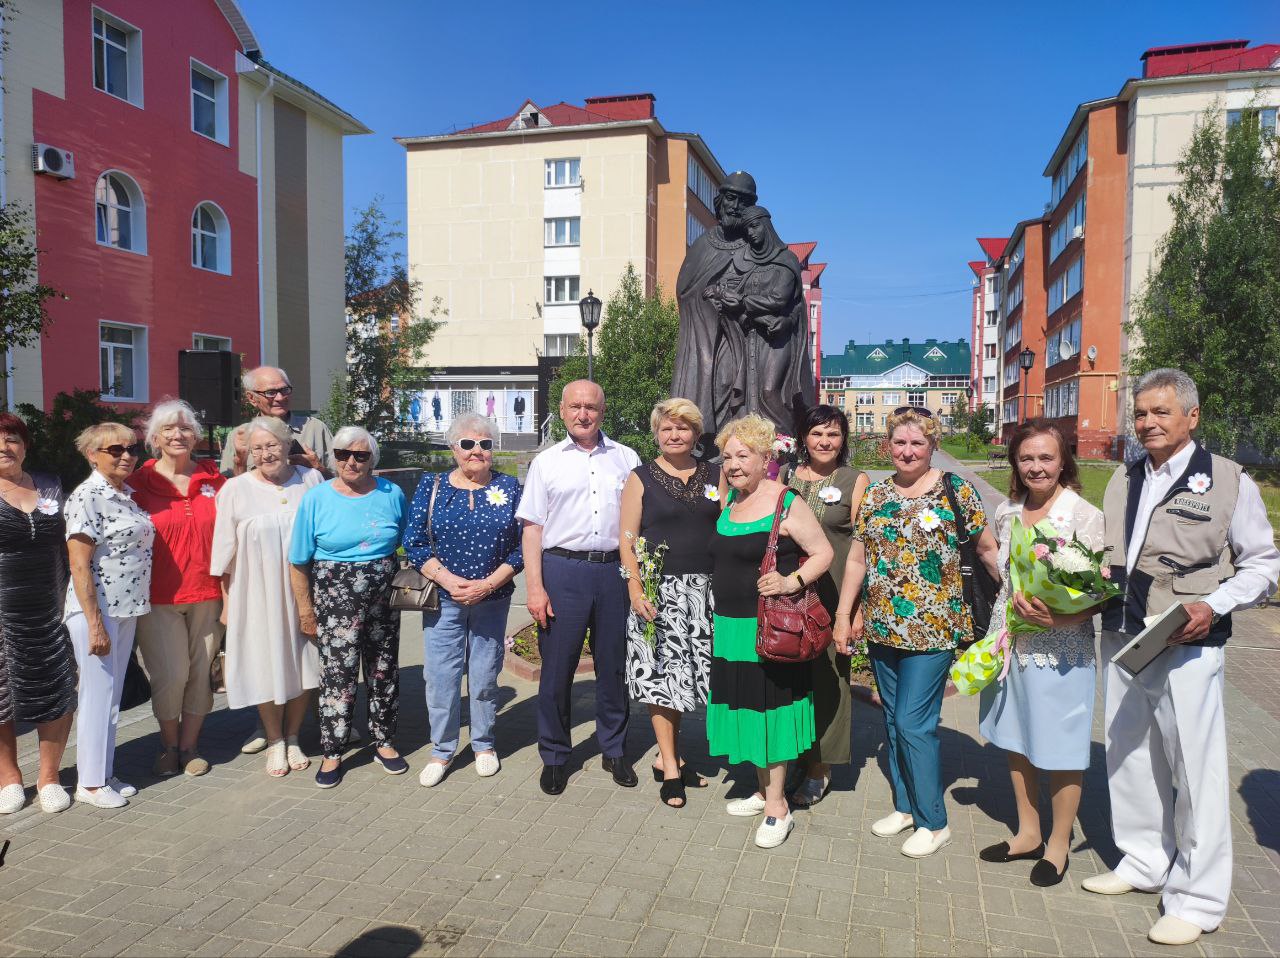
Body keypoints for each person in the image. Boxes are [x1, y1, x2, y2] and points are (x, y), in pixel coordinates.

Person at [1086, 369, 1280, 946]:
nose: (1147, 422)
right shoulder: (1125, 475)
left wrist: (1212, 606)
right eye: (1141, 413)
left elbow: (1263, 564)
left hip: (1187, 641)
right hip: (1123, 634)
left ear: (1192, 416)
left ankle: (1197, 898)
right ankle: (1144, 860)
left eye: (1160, 412)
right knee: (1127, 753)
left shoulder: (1228, 480)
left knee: (1194, 768)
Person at [834, 408, 999, 858]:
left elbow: (987, 550)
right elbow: (857, 559)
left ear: (933, 447)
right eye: (900, 443)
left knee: (913, 723)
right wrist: (845, 614)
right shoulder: (878, 493)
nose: (907, 452)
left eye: (917, 444)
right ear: (887, 445)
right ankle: (906, 807)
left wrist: (1014, 598)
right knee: (892, 718)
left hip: (934, 627)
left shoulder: (955, 489)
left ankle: (934, 821)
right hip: (883, 626)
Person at [977, 419, 1105, 887]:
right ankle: (1028, 832)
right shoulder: (1008, 511)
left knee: (1062, 746)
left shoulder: (1082, 514)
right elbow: (1005, 576)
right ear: (1015, 462)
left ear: (1063, 460)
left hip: (1062, 649)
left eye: (1046, 457)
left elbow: (1099, 592)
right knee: (1015, 736)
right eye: (1026, 458)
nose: (1036, 467)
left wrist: (1061, 619)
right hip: (1011, 642)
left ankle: (1058, 844)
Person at [706, 414, 833, 848]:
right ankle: (763, 791)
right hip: (730, 628)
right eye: (727, 457)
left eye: (743, 456)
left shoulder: (785, 502)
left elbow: (823, 553)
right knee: (747, 709)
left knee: (770, 712)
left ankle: (778, 808)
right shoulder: (731, 502)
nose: (733, 464)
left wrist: (790, 581)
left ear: (766, 459)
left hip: (769, 629)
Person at [518, 380, 641, 796]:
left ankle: (614, 748)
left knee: (614, 666)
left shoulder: (626, 458)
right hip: (562, 571)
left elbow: (638, 523)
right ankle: (555, 755)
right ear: (562, 410)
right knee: (557, 669)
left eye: (591, 407)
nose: (583, 414)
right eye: (575, 407)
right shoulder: (546, 462)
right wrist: (535, 588)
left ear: (603, 411)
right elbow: (532, 529)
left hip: (613, 572)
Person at [405, 413, 523, 788]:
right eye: (468, 443)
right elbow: (414, 543)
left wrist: (487, 584)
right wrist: (449, 580)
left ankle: (484, 744)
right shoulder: (433, 485)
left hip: (492, 599)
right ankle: (442, 750)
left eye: (484, 444)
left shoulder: (510, 487)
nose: (476, 451)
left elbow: (523, 547)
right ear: (453, 448)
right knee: (441, 677)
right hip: (444, 599)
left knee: (485, 675)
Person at [289, 426, 407, 789]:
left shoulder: (391, 493)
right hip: (334, 595)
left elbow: (406, 539)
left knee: (383, 668)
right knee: (338, 674)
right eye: (342, 454)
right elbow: (298, 560)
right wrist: (305, 610)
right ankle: (333, 751)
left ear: (372, 459)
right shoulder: (316, 498)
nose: (351, 462)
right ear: (333, 457)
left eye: (360, 455)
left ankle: (384, 741)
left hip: (383, 596)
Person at [619, 399, 719, 809]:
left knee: (691, 678)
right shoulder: (640, 478)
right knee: (662, 678)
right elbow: (627, 540)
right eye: (666, 429)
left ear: (696, 433)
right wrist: (635, 590)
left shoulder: (717, 474)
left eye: (683, 428)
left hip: (708, 592)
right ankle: (672, 769)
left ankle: (670, 757)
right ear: (656, 434)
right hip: (659, 594)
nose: (674, 435)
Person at [210, 416, 324, 778]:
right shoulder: (235, 489)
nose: (265, 454)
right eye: (256, 449)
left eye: (272, 445)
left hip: (304, 592)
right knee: (264, 663)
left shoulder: (310, 480)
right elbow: (223, 552)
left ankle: (293, 736)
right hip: (255, 592)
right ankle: (274, 740)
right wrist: (227, 603)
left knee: (304, 662)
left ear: (287, 445)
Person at [127, 400, 225, 778]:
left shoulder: (216, 481)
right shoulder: (137, 484)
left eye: (185, 428)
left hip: (208, 593)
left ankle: (189, 746)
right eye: (168, 428)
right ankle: (168, 745)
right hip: (158, 597)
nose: (177, 434)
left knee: (200, 674)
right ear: (154, 438)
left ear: (196, 436)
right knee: (171, 675)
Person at [778, 404, 869, 808]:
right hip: (789, 595)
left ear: (843, 439)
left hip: (833, 598)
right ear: (803, 437)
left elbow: (864, 549)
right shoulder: (785, 476)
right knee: (792, 681)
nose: (825, 441)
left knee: (830, 680)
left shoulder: (855, 480)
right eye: (817, 433)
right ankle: (796, 757)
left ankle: (820, 769)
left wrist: (855, 609)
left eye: (833, 434)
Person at [64, 423, 155, 808]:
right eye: (115, 450)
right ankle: (89, 784)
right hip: (97, 611)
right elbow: (79, 564)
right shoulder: (88, 496)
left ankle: (103, 773)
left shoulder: (124, 495)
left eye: (132, 449)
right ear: (92, 455)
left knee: (112, 697)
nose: (126, 456)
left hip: (125, 608)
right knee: (96, 696)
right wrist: (95, 624)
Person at [0, 413, 77, 814]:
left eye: (12, 438)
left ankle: (49, 777)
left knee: (57, 689)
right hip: (1, 614)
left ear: (25, 445)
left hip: (51, 608)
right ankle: (8, 777)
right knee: (1, 696)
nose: (4, 447)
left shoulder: (50, 484)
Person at [705, 206, 814, 429]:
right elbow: (732, 291)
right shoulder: (747, 264)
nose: (751, 233)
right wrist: (720, 293)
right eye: (747, 229)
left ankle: (786, 440)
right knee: (749, 395)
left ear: (766, 226)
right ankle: (753, 441)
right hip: (750, 337)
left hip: (777, 339)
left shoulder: (786, 260)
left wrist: (741, 301)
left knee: (769, 391)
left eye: (755, 226)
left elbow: (779, 299)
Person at [221, 366, 335, 478]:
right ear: (252, 398)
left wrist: (317, 467)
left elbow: (340, 483)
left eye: (285, 390)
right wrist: (240, 462)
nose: (280, 398)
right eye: (270, 392)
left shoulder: (315, 429)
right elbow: (228, 486)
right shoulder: (239, 436)